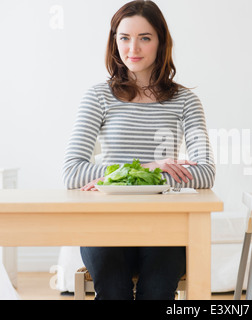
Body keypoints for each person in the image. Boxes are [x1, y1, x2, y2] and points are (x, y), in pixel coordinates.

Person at [62, 0, 215, 300]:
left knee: (157, 292)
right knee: (114, 291)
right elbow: (72, 172)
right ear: (114, 41)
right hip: (105, 226)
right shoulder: (98, 97)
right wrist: (148, 169)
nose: (133, 48)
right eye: (124, 37)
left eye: (145, 37)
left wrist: (116, 178)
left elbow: (206, 173)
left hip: (165, 229)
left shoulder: (185, 101)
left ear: (161, 42)